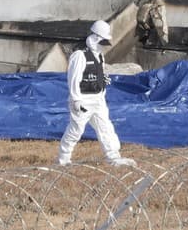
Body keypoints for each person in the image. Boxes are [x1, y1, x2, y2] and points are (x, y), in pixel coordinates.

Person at [57, 20, 136, 167]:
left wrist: (102, 82)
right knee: (76, 130)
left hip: (98, 99)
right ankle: (63, 159)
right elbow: (73, 79)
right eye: (102, 41)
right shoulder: (80, 55)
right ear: (95, 38)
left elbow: (99, 72)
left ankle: (114, 157)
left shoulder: (99, 56)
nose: (103, 45)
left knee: (105, 128)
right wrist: (76, 99)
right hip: (83, 100)